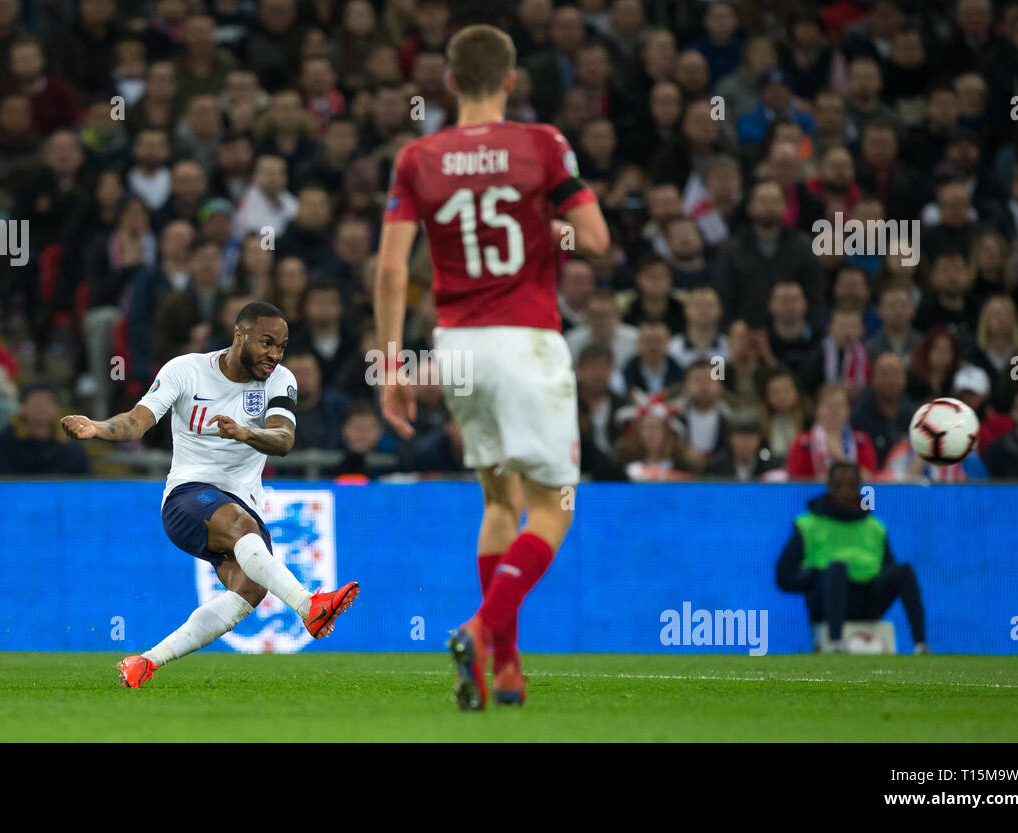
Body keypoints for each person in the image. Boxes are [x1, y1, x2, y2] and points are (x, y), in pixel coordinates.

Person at [374, 24, 608, 710]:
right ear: (511, 80)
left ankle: (507, 668)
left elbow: (391, 267)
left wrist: (391, 363)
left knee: (498, 501)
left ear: (448, 83)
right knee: (554, 505)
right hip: (527, 339)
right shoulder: (541, 145)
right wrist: (554, 229)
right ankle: (481, 629)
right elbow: (595, 239)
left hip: (457, 348)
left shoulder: (419, 156)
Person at [60, 302, 359, 688]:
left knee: (248, 590)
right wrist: (97, 428)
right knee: (240, 525)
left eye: (281, 346)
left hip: (242, 505)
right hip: (188, 497)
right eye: (266, 342)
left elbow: (283, 439)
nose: (274, 354)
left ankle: (146, 662)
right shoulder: (185, 370)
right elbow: (138, 421)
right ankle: (309, 605)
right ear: (240, 335)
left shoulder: (280, 379)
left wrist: (246, 432)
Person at [776, 462, 929, 654]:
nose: (844, 492)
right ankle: (835, 644)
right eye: (838, 485)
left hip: (868, 600)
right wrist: (814, 574)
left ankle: (921, 645)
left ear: (859, 488)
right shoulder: (808, 524)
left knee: (904, 571)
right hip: (825, 599)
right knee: (838, 568)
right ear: (829, 486)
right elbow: (783, 578)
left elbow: (888, 568)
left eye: (851, 485)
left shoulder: (875, 527)